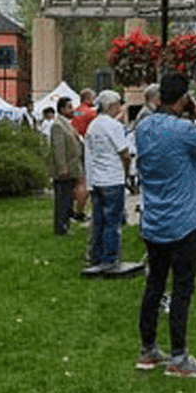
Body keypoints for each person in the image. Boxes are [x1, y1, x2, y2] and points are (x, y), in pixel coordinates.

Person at [134, 74, 196, 377]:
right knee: (182, 290)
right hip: (183, 222)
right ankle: (179, 358)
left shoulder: (142, 127)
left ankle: (148, 351)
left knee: (154, 286)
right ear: (184, 99)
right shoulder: (184, 130)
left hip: (154, 220)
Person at [84, 90, 135, 274]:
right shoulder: (113, 126)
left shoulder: (93, 125)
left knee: (99, 221)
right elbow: (125, 153)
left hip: (98, 180)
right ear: (112, 106)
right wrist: (128, 171)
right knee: (113, 222)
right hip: (113, 179)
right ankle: (110, 259)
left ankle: (96, 256)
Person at [48, 97, 84, 236]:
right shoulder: (58, 125)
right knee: (62, 199)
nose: (72, 110)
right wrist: (62, 167)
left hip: (72, 168)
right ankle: (61, 227)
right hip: (65, 170)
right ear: (62, 109)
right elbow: (59, 148)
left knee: (68, 199)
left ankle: (66, 225)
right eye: (69, 107)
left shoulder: (68, 124)